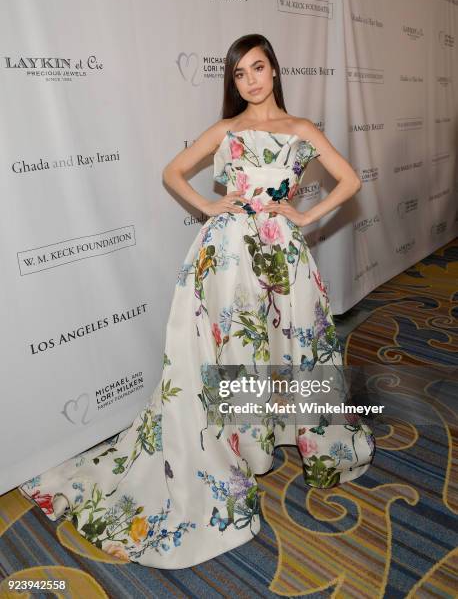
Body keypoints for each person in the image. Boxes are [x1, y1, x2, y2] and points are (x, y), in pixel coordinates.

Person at [19, 33, 375, 569]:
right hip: (226, 257)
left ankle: (284, 433)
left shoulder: (301, 132)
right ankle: (244, 447)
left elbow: (349, 180)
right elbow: (171, 172)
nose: (251, 80)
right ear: (233, 81)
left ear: (275, 71)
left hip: (282, 258)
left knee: (290, 341)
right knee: (232, 346)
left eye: (258, 68)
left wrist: (302, 217)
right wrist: (211, 207)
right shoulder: (227, 129)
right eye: (239, 73)